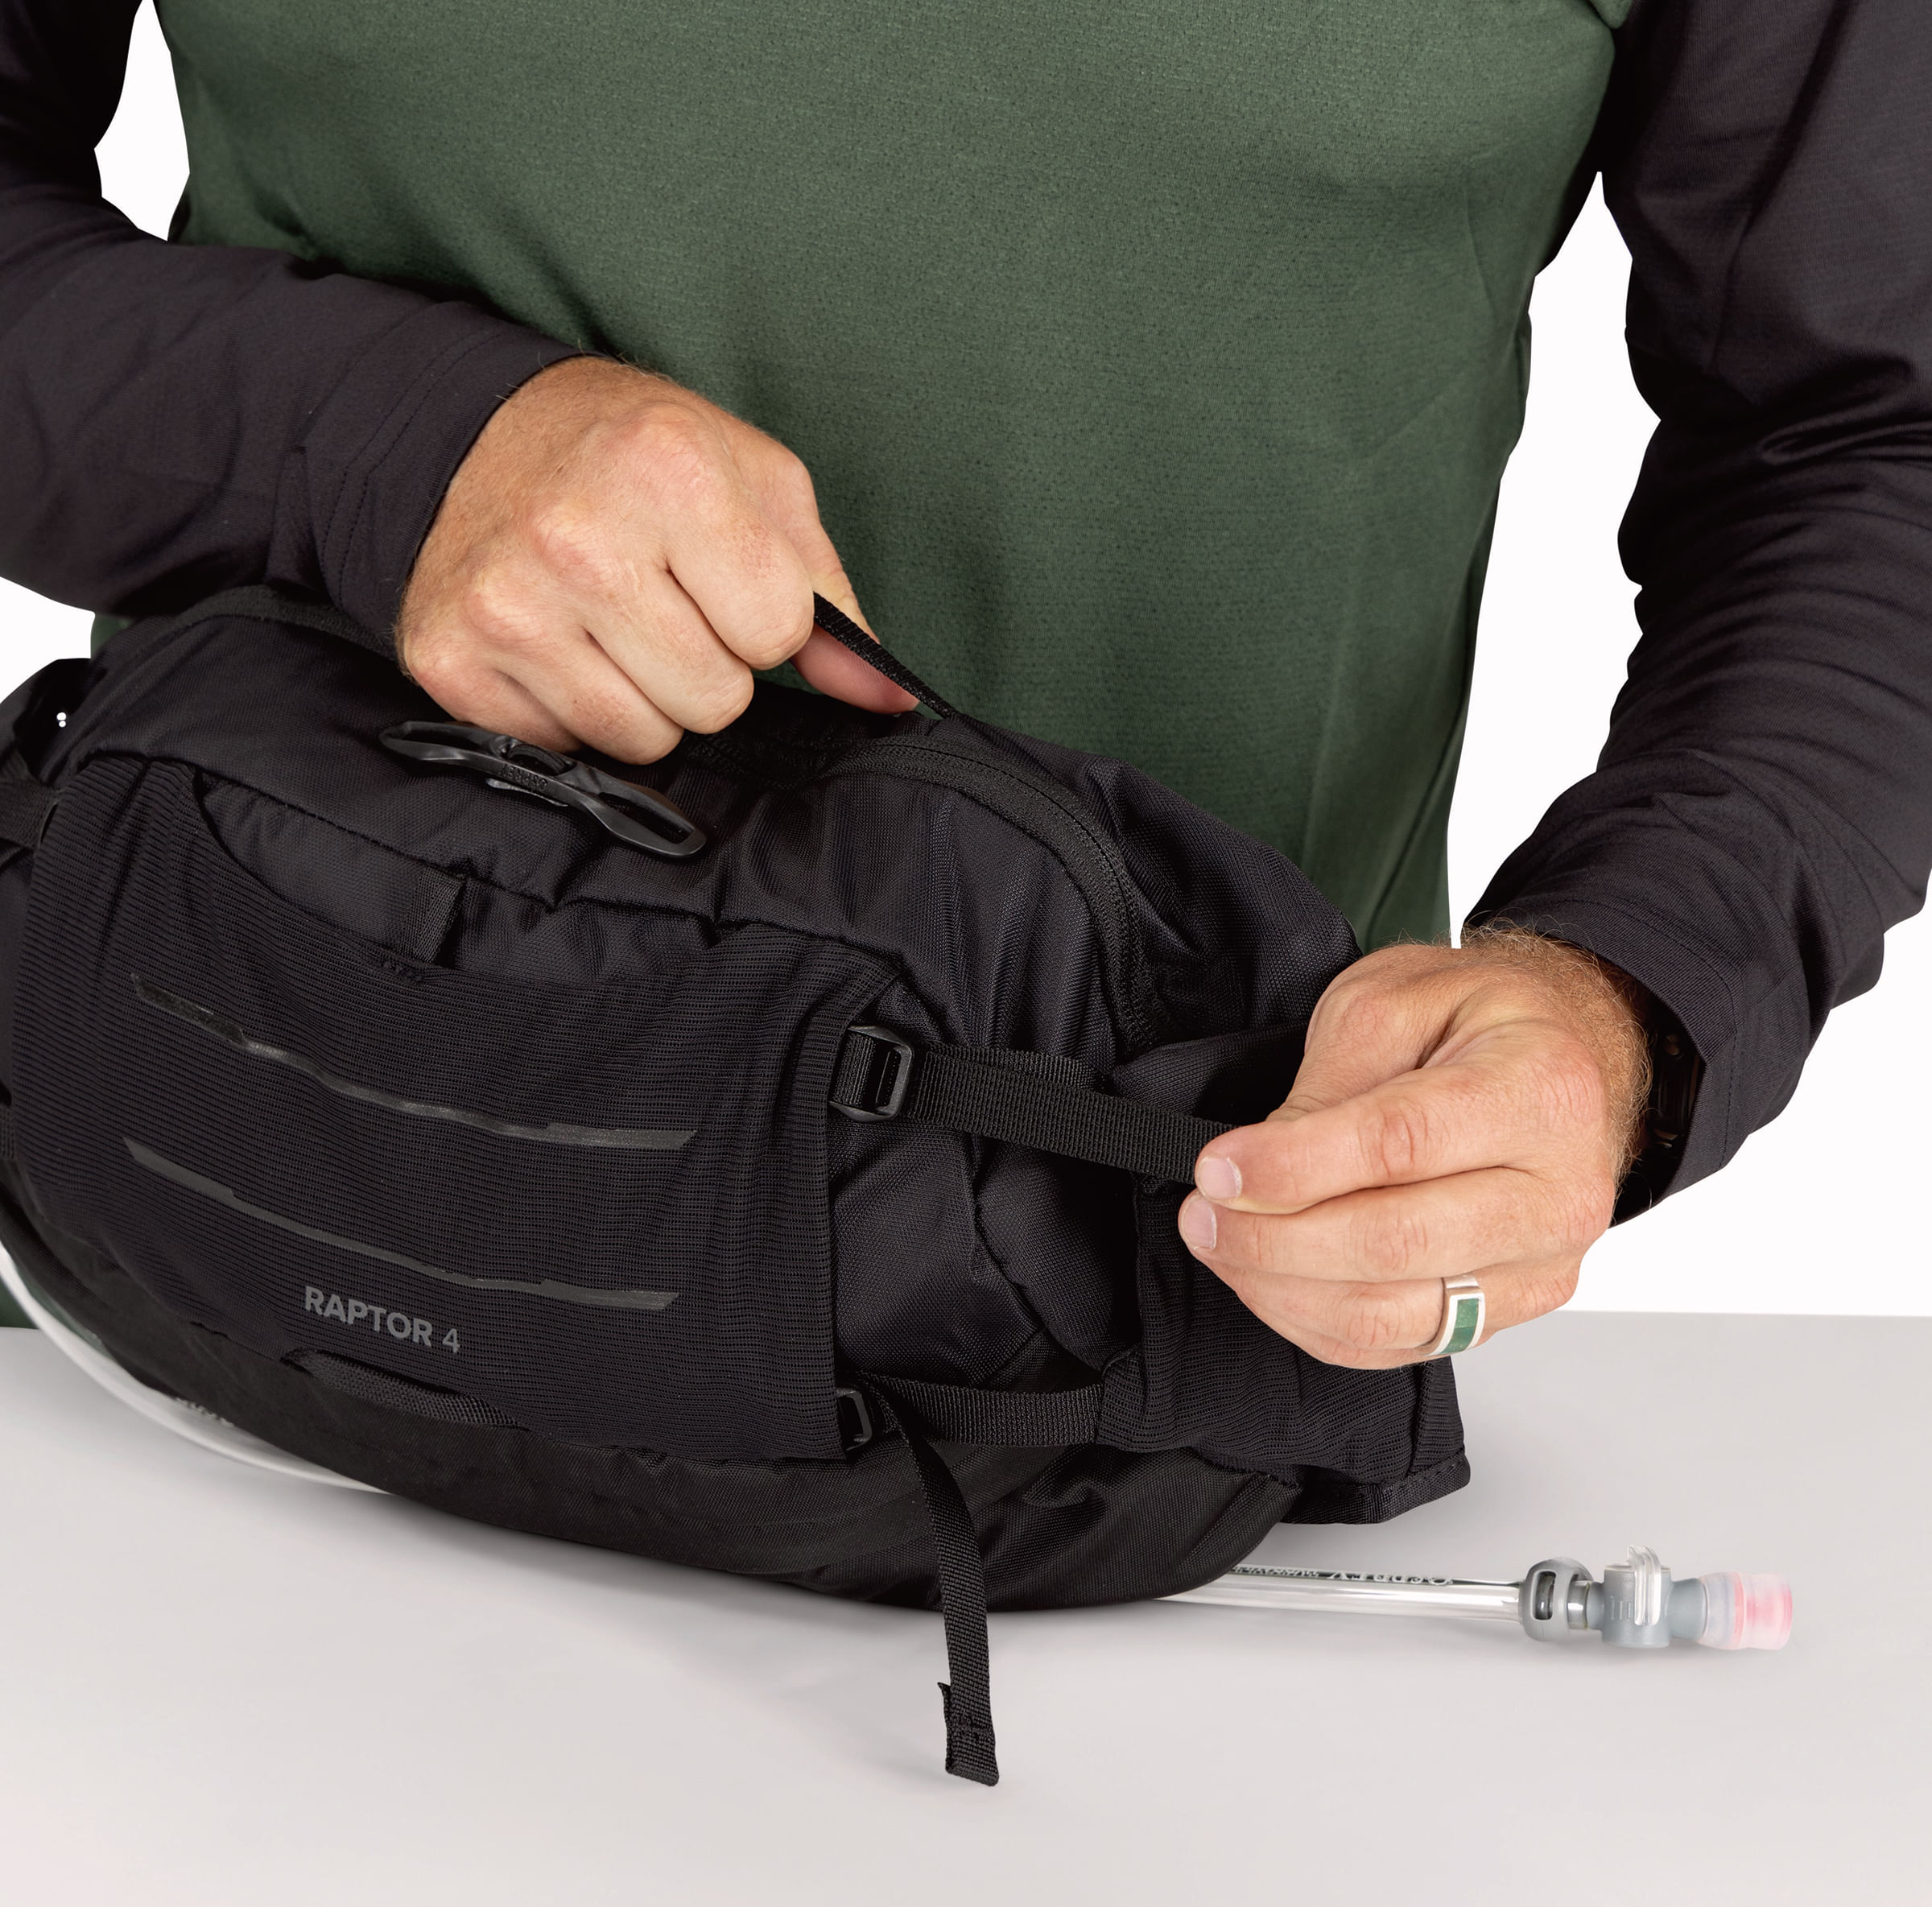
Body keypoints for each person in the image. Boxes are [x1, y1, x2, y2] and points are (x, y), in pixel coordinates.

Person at [0, 0, 1926, 1367]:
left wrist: (1624, 995)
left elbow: (1868, 438)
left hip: (1144, 1402)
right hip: (178, 1280)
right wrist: (370, 441)